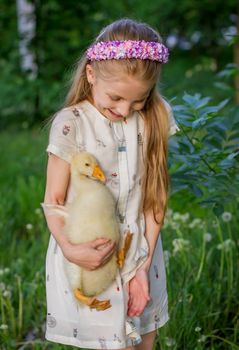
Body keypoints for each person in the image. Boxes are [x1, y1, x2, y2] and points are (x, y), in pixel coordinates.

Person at [42, 18, 179, 350]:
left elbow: (155, 197)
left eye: (137, 101)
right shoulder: (71, 124)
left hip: (142, 248)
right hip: (92, 254)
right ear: (91, 74)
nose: (124, 110)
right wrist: (73, 249)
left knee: (144, 339)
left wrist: (141, 269)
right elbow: (54, 199)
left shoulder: (156, 115)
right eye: (116, 98)